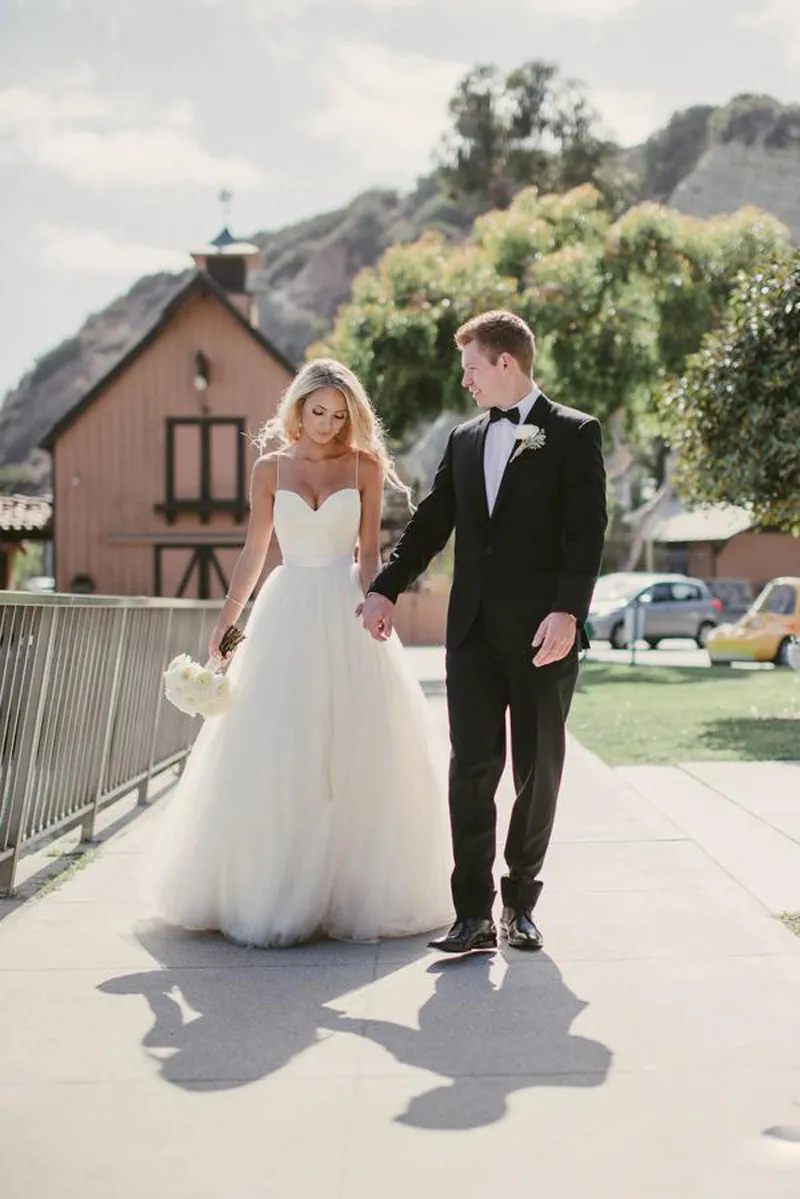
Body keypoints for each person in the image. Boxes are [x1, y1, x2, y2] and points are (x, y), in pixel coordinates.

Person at [145, 359, 452, 947]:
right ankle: (272, 887)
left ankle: (345, 890)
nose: (328, 424)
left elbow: (367, 553)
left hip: (344, 608)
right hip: (285, 611)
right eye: (319, 413)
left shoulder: (365, 465)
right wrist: (228, 625)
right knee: (279, 746)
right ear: (298, 408)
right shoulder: (269, 469)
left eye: (339, 416)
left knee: (354, 749)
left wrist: (373, 602)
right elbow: (254, 552)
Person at [360, 311, 607, 954]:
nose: (466, 381)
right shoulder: (465, 440)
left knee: (537, 768)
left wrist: (568, 611)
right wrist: (386, 585)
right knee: (470, 769)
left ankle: (520, 903)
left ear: (506, 362)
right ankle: (470, 914)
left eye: (472, 367)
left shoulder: (575, 433)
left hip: (542, 634)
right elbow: (432, 522)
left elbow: (586, 534)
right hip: (469, 633)